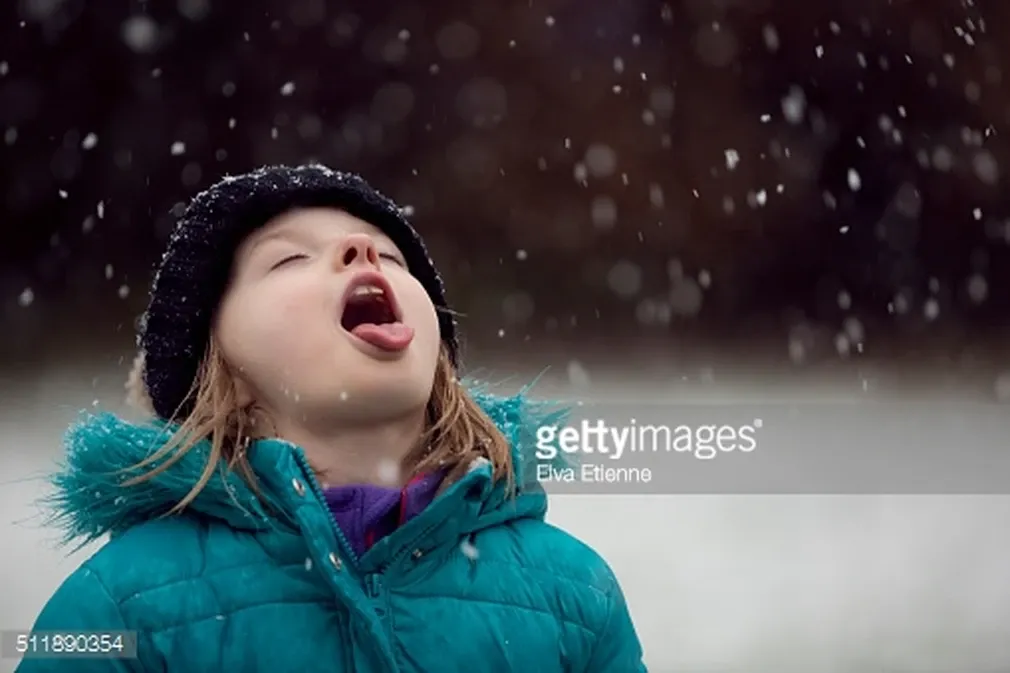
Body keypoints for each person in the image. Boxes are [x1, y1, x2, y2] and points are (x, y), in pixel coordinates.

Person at [17, 164, 646, 672]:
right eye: (289, 259)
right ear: (221, 374)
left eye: (393, 259)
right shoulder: (118, 606)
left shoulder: (574, 594)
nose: (362, 249)